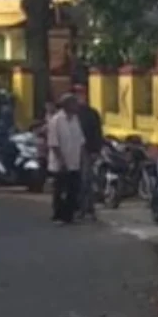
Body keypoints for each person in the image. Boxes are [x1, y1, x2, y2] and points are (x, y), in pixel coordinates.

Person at [48, 93, 85, 225]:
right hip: (61, 162)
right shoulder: (56, 120)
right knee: (60, 190)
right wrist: (62, 161)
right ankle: (58, 215)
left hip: (74, 161)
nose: (76, 106)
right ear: (67, 105)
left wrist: (80, 158)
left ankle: (69, 215)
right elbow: (54, 143)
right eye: (74, 103)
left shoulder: (75, 119)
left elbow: (80, 140)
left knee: (73, 189)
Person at [73, 84, 103, 218]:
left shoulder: (92, 113)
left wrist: (97, 149)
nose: (80, 97)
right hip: (73, 149)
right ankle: (81, 207)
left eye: (81, 94)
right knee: (77, 180)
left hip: (87, 149)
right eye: (77, 94)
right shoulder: (72, 114)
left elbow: (97, 132)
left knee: (87, 180)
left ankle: (88, 208)